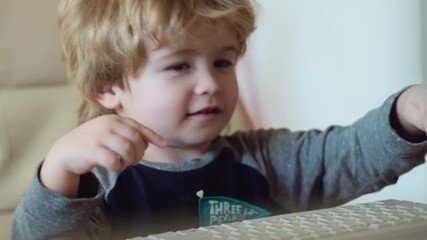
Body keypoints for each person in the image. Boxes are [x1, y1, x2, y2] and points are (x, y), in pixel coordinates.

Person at [12, 0, 427, 239]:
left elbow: (348, 154)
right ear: (108, 86)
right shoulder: (96, 184)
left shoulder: (264, 159)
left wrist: (407, 112)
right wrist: (58, 170)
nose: (210, 83)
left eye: (223, 61)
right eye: (179, 66)